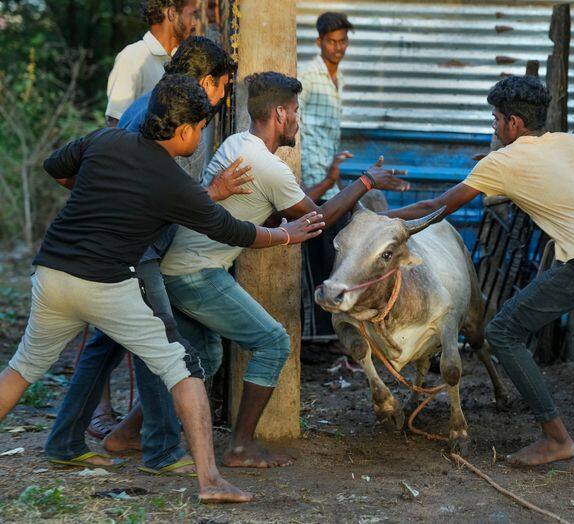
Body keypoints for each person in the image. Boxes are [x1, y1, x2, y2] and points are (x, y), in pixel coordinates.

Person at [0, 74, 324, 502]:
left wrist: (98, 196)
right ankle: (210, 481)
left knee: (22, 368)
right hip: (107, 285)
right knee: (183, 369)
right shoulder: (172, 183)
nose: (203, 135)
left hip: (52, 275)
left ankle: (90, 441)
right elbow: (234, 231)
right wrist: (287, 235)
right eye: (203, 127)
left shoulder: (103, 140)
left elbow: (55, 167)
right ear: (185, 130)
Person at [384, 75, 574, 467]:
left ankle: (556, 437)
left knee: (502, 332)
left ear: (514, 124)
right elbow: (546, 178)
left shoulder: (504, 161)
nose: (494, 126)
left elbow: (436, 206)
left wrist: (380, 220)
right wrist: (492, 169)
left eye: (496, 119)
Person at [158, 71, 410, 468]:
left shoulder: (238, 143)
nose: (298, 120)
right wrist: (365, 181)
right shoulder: (268, 166)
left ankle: (130, 436)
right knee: (273, 342)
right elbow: (319, 220)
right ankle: (240, 447)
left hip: (180, 267)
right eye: (295, 111)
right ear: (279, 114)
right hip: (196, 272)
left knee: (201, 357)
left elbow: (284, 209)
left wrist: (329, 190)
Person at [45, 37, 242, 476]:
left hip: (129, 247)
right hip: (136, 251)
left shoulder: (152, 106)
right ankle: (162, 449)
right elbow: (143, 186)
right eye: (223, 87)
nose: (224, 98)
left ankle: (63, 440)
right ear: (205, 82)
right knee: (160, 342)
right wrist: (278, 233)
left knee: (105, 346)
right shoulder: (162, 117)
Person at [91, 0, 199, 439]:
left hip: (158, 206)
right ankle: (106, 413)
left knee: (131, 319)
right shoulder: (134, 59)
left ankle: (134, 419)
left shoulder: (176, 64)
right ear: (169, 11)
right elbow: (116, 130)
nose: (194, 20)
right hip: (128, 206)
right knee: (116, 320)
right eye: (191, 11)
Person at [298, 12, 355, 339]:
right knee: (312, 264)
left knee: (330, 259)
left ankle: (327, 333)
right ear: (319, 42)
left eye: (343, 41)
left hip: (329, 185)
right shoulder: (307, 75)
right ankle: (315, 337)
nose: (338, 47)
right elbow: (294, 126)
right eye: (331, 41)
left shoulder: (339, 79)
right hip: (310, 186)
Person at [105, 0, 198, 127]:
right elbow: (115, 123)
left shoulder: (182, 60)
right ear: (172, 13)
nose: (195, 23)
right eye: (192, 14)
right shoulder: (133, 56)